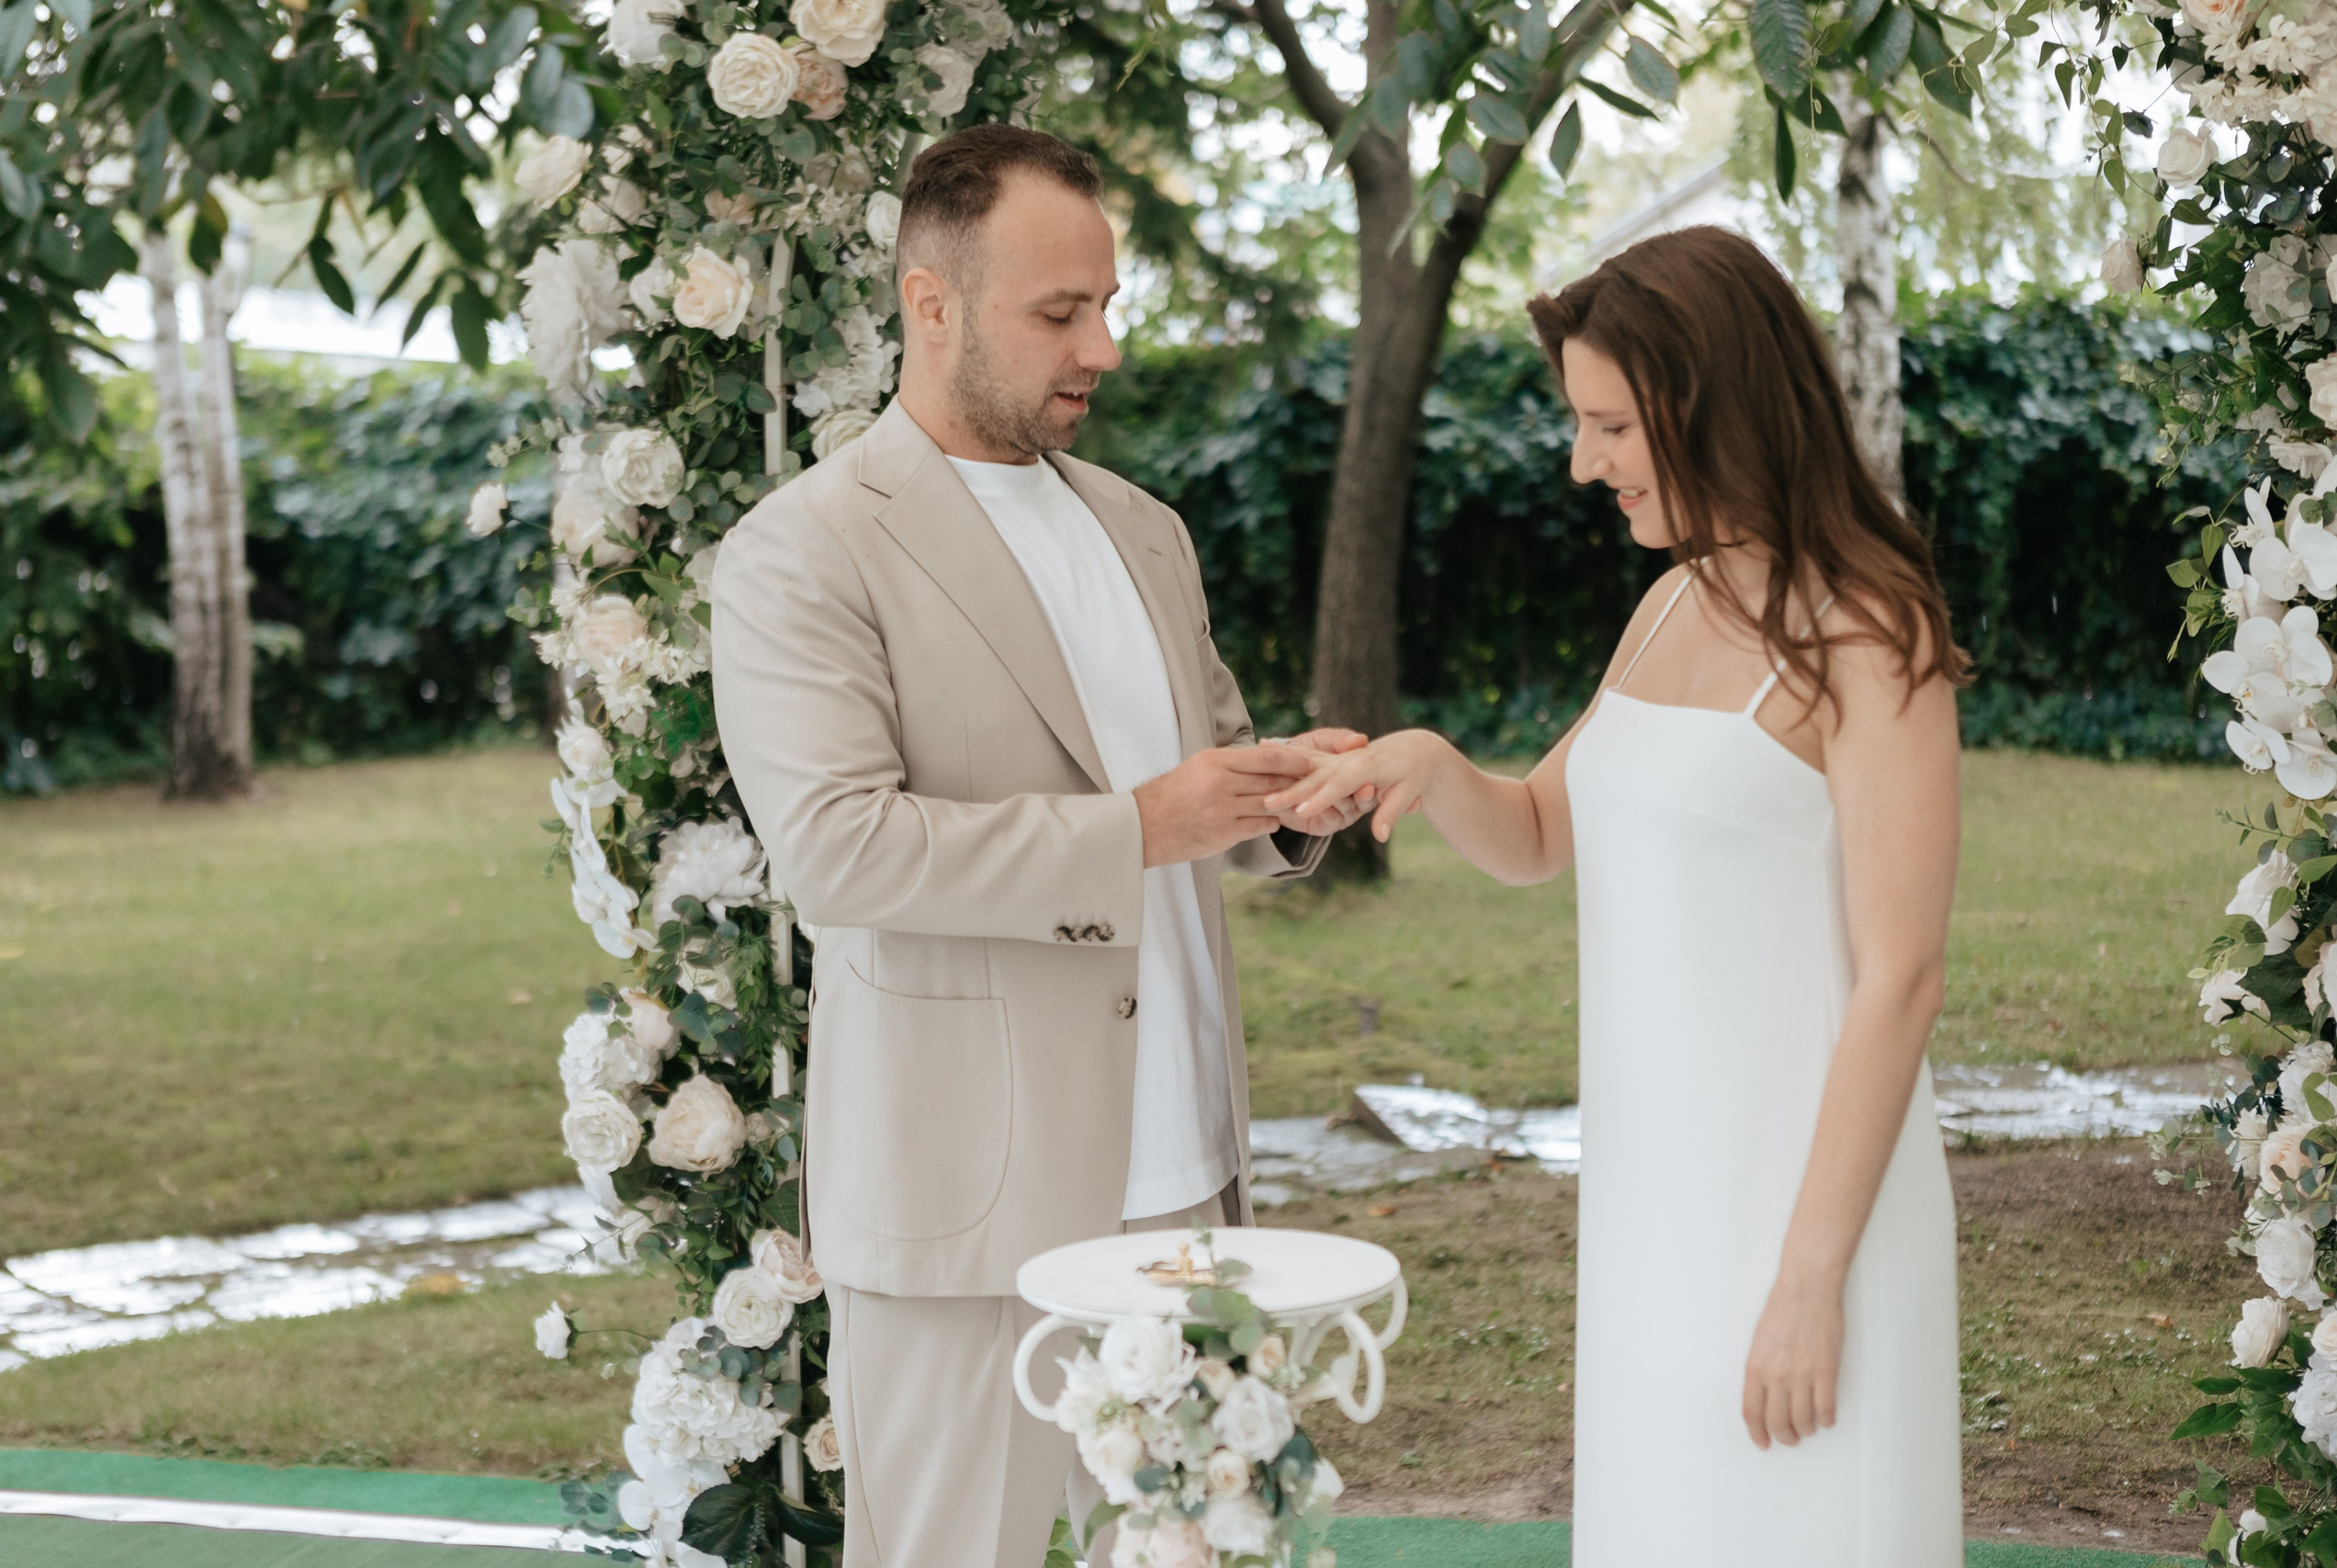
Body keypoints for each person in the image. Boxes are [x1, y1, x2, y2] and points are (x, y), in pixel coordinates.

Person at [708, 125, 1367, 1568]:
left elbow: (1203, 778)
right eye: (1060, 314)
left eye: (1108, 305)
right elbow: (840, 854)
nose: (1104, 349)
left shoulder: (1145, 530)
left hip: (1187, 1173)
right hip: (970, 1199)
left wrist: (1286, 796)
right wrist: (1141, 828)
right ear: (929, 306)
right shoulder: (800, 551)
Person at [1269, 225, 1966, 1563]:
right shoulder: (1671, 605)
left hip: (1806, 1209)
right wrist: (1427, 763)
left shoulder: (1879, 637)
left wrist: (1811, 1281)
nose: (1583, 462)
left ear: (1713, 405)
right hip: (1656, 1193)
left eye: (1609, 426)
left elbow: (1902, 980)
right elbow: (1540, 828)